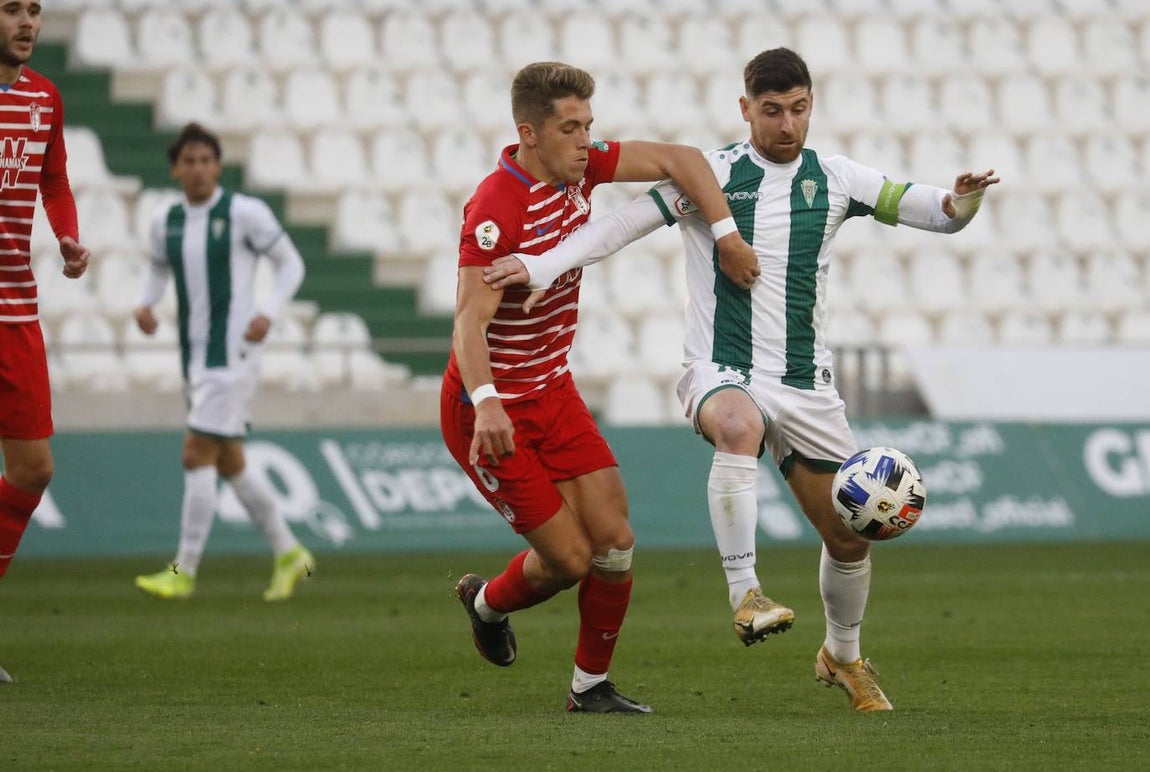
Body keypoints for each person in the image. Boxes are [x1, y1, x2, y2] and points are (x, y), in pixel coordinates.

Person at [483, 48, 1000, 712]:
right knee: (738, 424)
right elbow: (618, 226)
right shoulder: (715, 176)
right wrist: (545, 263)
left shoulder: (836, 177)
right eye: (772, 110)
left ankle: (843, 655)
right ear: (746, 108)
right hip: (721, 370)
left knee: (848, 536)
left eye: (799, 109)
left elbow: (935, 212)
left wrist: (966, 200)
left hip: (805, 385)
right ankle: (745, 591)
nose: (787, 125)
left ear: (812, 104)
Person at [442, 61, 758, 714]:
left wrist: (727, 235)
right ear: (528, 133)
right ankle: (486, 603)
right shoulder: (497, 208)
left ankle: (590, 688)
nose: (586, 140)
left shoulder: (580, 167)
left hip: (551, 390)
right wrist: (488, 402)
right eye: (570, 128)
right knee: (569, 562)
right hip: (487, 406)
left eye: (589, 125)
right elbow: (469, 322)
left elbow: (681, 158)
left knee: (614, 539)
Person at [133, 123, 314, 602]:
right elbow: (156, 269)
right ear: (175, 168)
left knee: (196, 453)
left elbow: (291, 264)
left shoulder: (243, 213)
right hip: (194, 354)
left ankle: (184, 569)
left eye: (206, 160)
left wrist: (267, 313)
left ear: (218, 166)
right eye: (188, 161)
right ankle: (290, 552)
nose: (198, 169)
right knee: (230, 460)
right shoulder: (165, 220)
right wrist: (145, 304)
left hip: (232, 352)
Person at [0, 0, 92, 684]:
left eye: (34, 10)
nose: (27, 22)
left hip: (16, 312)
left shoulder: (44, 99)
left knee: (34, 470)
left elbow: (52, 178)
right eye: (11, 9)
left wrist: (66, 232)